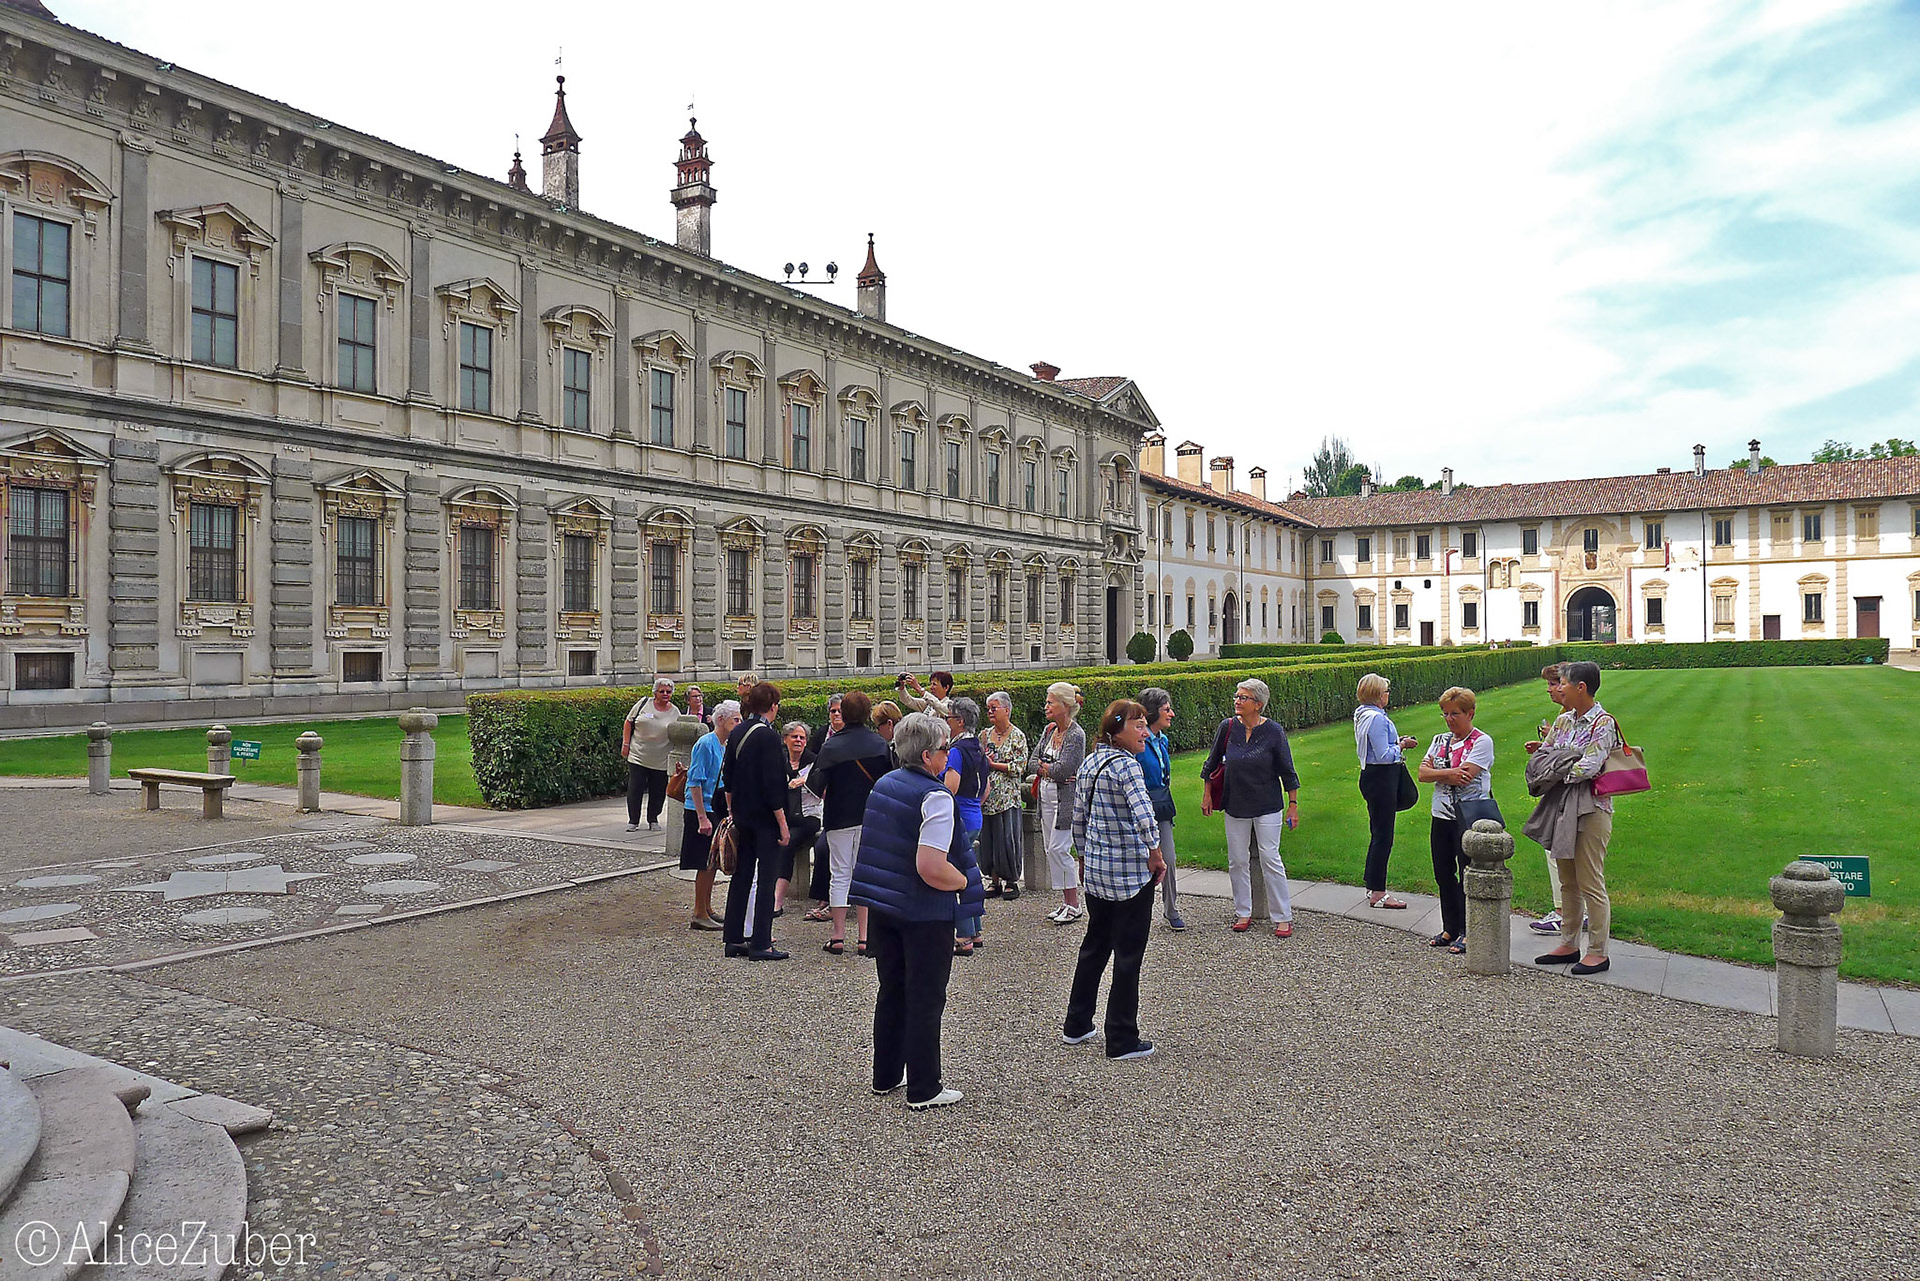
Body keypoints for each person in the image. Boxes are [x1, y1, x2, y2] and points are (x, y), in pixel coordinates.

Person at [849, 712, 985, 1110]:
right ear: (928, 756)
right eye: (944, 749)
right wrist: (962, 881)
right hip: (924, 911)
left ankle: (886, 1074)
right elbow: (931, 866)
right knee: (926, 996)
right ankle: (925, 1087)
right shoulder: (936, 797)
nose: (948, 755)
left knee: (892, 988)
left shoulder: (885, 784)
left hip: (885, 905)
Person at [1063, 700, 1168, 1061]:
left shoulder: (1092, 760)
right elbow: (1144, 815)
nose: (1144, 731)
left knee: (1094, 945)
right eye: (1137, 725)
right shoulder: (1127, 767)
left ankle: (1077, 1023)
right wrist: (1156, 853)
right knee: (1128, 954)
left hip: (1097, 872)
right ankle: (1121, 1037)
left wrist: (1082, 856)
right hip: (1128, 875)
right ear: (1118, 730)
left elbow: (1079, 816)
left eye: (1144, 725)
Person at [1527, 660, 1619, 976]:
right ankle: (1569, 943)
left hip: (1592, 808)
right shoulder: (1564, 720)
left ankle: (1598, 951)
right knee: (1567, 880)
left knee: (1590, 880)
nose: (1558, 688)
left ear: (1581, 687)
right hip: (1562, 805)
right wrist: (1563, 763)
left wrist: (1557, 768)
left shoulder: (1603, 723)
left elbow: (1589, 767)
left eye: (1562, 683)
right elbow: (1543, 756)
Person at [1200, 677, 1301, 937]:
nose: (1237, 701)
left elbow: (1288, 771)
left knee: (1270, 857)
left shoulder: (1273, 731)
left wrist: (1293, 804)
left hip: (1267, 803)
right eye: (1236, 696)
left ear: (1258, 704)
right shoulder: (1227, 727)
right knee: (1237, 860)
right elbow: (1211, 764)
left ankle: (1282, 916)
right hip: (1235, 803)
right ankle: (1242, 911)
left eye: (1242, 697)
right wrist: (1208, 795)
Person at [807, 691, 894, 956]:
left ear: (842, 713)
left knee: (840, 874)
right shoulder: (879, 745)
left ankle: (838, 936)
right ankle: (865, 939)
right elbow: (889, 784)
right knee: (865, 875)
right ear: (868, 714)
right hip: (871, 817)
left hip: (839, 816)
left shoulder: (831, 746)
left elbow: (814, 786)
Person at [1417, 687, 1495, 954]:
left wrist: (1438, 772)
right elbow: (1422, 774)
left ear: (1470, 713)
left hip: (1469, 817)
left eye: (1455, 714)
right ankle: (1450, 925)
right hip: (1441, 815)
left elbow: (1468, 775)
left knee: (1467, 874)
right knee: (1443, 873)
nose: (1450, 720)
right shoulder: (1440, 740)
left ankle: (1468, 930)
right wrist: (1448, 772)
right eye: (1446, 714)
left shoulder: (1481, 742)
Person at [721, 682, 792, 960]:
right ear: (773, 706)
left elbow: (728, 776)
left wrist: (731, 810)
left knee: (741, 876)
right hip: (765, 818)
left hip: (742, 813)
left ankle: (734, 937)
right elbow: (774, 785)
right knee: (766, 879)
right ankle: (762, 941)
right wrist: (783, 824)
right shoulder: (769, 737)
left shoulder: (738, 731)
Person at [1353, 673, 1420, 910]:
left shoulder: (1362, 714)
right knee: (1384, 836)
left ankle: (1372, 884)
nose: (1388, 695)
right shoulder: (1377, 719)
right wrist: (1402, 746)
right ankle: (1379, 892)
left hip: (1371, 775)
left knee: (1378, 833)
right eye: (1385, 691)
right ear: (1377, 695)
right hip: (1382, 777)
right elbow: (1383, 755)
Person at [1527, 663, 1581, 936]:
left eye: (1556, 683)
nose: (1551, 689)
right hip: (1564, 790)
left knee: (1558, 849)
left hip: (1570, 793)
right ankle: (1570, 911)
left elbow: (1578, 758)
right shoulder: (1565, 716)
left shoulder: (1578, 716)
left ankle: (1564, 911)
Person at [1026, 682, 1087, 924]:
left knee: (1059, 849)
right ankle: (1066, 902)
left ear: (1064, 705)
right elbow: (1032, 763)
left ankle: (1073, 903)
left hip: (1065, 802)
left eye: (1050, 702)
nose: (1046, 706)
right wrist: (1048, 769)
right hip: (1046, 797)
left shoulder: (1076, 734)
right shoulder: (1049, 730)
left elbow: (1065, 770)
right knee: (1050, 848)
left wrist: (1047, 768)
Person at [680, 700, 740, 930]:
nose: (739, 723)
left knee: (713, 861)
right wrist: (702, 817)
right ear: (722, 720)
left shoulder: (725, 744)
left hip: (715, 806)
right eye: (736, 719)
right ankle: (698, 912)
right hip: (701, 808)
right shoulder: (705, 743)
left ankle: (706, 906)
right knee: (704, 862)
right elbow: (694, 781)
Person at [1135, 687, 1186, 931]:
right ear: (1153, 713)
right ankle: (1138, 911)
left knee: (1170, 858)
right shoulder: (1138, 741)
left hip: (1162, 806)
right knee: (1141, 861)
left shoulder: (1162, 740)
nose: (1172, 714)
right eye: (1167, 710)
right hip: (1139, 809)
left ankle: (1171, 908)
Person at [944, 697, 991, 956]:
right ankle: (975, 928)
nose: (947, 722)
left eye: (949, 718)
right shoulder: (979, 748)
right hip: (974, 813)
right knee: (970, 874)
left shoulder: (956, 751)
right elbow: (986, 788)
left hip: (959, 814)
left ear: (959, 722)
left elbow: (950, 786)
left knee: (956, 877)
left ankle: (963, 936)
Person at [976, 691, 1029, 903]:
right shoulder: (984, 735)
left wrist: (993, 765)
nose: (990, 711)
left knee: (1007, 839)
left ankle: (1011, 880)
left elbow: (1019, 767)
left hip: (1008, 798)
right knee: (988, 840)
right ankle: (994, 879)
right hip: (987, 797)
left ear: (1006, 710)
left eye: (994, 708)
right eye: (988, 708)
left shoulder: (1017, 736)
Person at [772, 720, 821, 918]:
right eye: (794, 737)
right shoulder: (779, 761)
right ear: (785, 740)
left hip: (808, 816)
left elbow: (822, 791)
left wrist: (805, 782)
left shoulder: (815, 762)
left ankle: (777, 899)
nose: (798, 740)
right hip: (784, 815)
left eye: (802, 737)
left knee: (787, 842)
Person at [622, 677, 680, 832]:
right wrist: (625, 744)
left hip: (661, 758)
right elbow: (629, 722)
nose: (665, 694)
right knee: (635, 788)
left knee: (658, 790)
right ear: (655, 692)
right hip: (638, 754)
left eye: (668, 692)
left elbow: (677, 733)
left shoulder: (675, 712)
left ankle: (653, 819)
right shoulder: (643, 704)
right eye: (662, 691)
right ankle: (633, 820)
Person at [873, 700, 904, 765]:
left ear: (889, 724)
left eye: (878, 727)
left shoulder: (897, 748)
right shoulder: (911, 737)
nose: (878, 731)